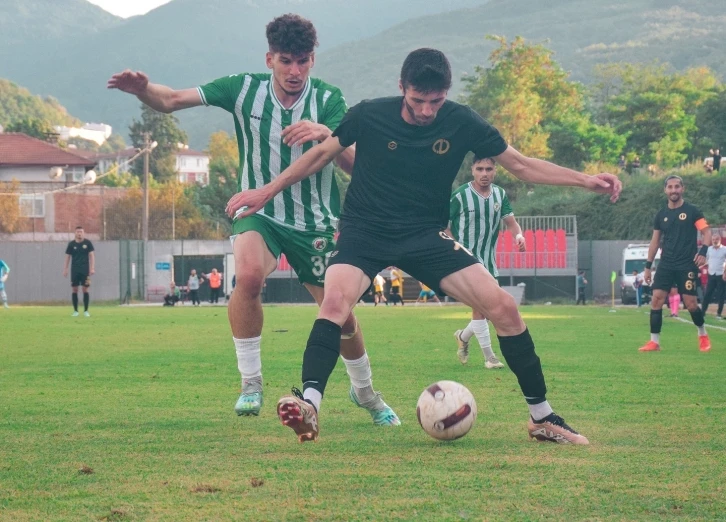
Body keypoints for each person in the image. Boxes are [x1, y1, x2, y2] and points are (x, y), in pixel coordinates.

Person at [226, 47, 622, 444]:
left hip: (425, 234)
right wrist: (266, 191)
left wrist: (585, 179)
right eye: (418, 100)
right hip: (365, 230)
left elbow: (521, 164)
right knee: (333, 305)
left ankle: (542, 418)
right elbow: (319, 156)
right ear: (402, 88)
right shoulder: (369, 114)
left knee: (503, 306)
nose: (428, 111)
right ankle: (310, 405)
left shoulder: (462, 121)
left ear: (446, 93)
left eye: (437, 101)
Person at [107, 14, 399, 425]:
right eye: (286, 61)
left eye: (303, 61)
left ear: (313, 60)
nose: (294, 71)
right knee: (247, 276)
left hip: (315, 221)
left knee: (342, 315)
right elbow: (170, 100)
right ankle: (251, 383)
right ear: (269, 59)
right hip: (259, 212)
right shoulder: (242, 89)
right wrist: (143, 91)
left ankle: (365, 392)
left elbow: (354, 165)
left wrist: (323, 135)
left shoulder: (330, 101)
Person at [450, 155, 524, 370]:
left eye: (488, 169)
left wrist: (519, 236)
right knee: (480, 309)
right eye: (480, 169)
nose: (484, 173)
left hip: (489, 262)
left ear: (495, 171)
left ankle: (463, 337)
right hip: (465, 262)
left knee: (490, 311)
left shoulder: (500, 194)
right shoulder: (460, 195)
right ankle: (490, 357)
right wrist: (453, 248)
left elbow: (511, 223)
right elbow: (444, 226)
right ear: (472, 170)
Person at [638, 176, 712, 353]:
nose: (673, 190)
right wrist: (648, 266)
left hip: (687, 264)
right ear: (665, 190)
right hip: (666, 263)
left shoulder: (693, 211)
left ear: (682, 189)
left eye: (677, 187)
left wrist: (703, 252)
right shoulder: (661, 215)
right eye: (670, 187)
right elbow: (655, 242)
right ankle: (654, 342)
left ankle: (702, 334)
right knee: (656, 299)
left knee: (691, 303)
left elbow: (706, 232)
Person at [62, 226, 95, 317]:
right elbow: (67, 257)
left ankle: (86, 311)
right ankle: (76, 311)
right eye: (77, 232)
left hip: (85, 270)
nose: (79, 233)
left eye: (81, 231)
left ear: (83, 233)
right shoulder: (71, 244)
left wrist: (92, 268)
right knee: (75, 289)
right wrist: (65, 269)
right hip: (75, 270)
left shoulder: (88, 243)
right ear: (75, 233)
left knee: (85, 289)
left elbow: (91, 255)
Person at [702, 233, 726, 318]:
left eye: (716, 239)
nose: (715, 241)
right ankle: (703, 312)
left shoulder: (724, 249)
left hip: (721, 274)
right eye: (713, 240)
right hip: (711, 274)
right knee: (707, 294)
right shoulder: (709, 249)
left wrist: (725, 273)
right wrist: (701, 265)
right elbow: (707, 260)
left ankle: (719, 314)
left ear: (719, 239)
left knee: (721, 295)